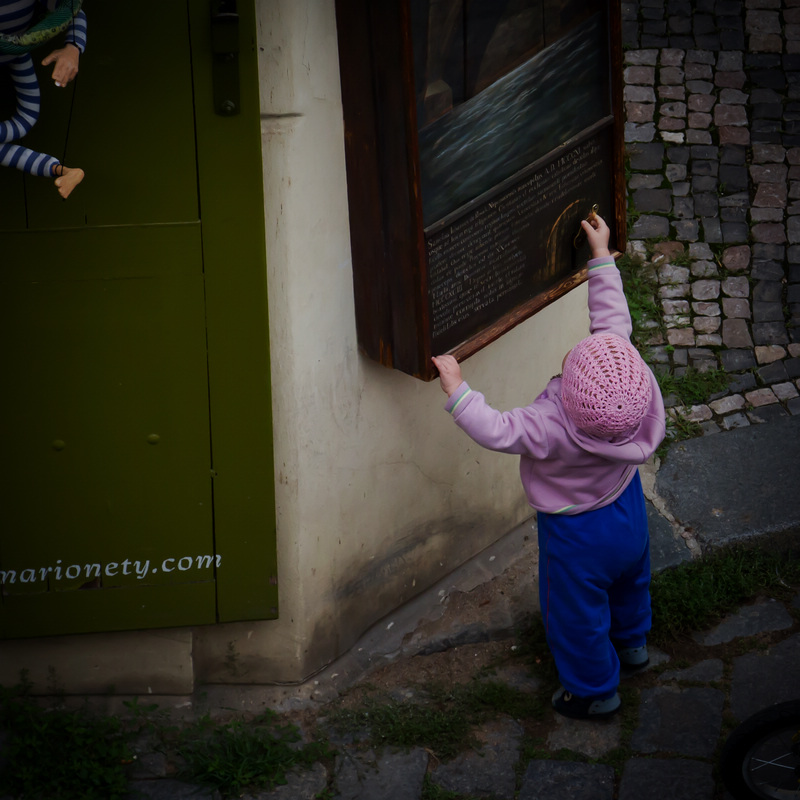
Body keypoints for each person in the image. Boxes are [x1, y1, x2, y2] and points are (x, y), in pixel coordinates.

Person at [432, 214, 666, 720]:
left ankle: (593, 691)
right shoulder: (627, 380)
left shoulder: (550, 423)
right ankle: (633, 646)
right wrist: (600, 256)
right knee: (631, 581)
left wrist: (458, 390)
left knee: (574, 614)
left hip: (577, 534)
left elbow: (497, 429)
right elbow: (612, 319)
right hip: (626, 509)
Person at [0, 0, 87, 198]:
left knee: (27, 118)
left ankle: (63, 170)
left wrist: (73, 48)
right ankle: (62, 170)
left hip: (17, 53)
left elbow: (71, 10)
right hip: (18, 52)